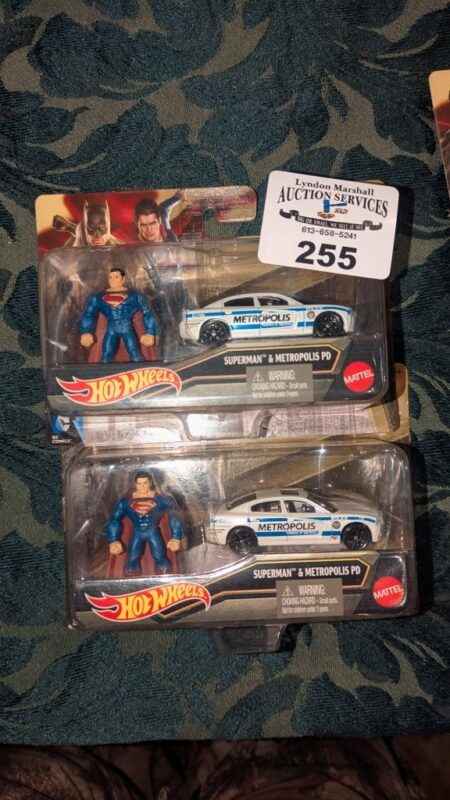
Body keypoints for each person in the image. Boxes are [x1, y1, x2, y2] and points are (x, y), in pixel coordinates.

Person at [106, 472, 183, 575]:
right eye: (139, 483)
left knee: (160, 558)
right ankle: (132, 579)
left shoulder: (161, 499)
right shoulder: (125, 502)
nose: (142, 486)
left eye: (145, 483)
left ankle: (165, 578)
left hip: (153, 532)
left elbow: (174, 515)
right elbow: (114, 519)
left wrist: (176, 537)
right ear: (135, 484)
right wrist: (113, 539)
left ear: (150, 483)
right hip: (137, 533)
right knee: (132, 560)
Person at [79, 267, 159, 363]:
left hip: (127, 328)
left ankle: (139, 370)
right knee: (106, 355)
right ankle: (103, 371)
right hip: (111, 329)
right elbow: (89, 314)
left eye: (116, 277)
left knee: (135, 353)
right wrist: (86, 331)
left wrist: (150, 332)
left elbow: (147, 312)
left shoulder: (134, 296)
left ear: (123, 279)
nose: (112, 280)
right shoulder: (98, 297)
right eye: (110, 277)